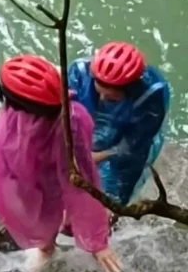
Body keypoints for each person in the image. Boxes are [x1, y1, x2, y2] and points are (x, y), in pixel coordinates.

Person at [0, 55, 122, 272]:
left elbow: (81, 178)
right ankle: (43, 246)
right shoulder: (14, 115)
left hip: (45, 181)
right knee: (18, 210)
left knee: (44, 220)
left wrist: (96, 239)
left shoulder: (71, 124)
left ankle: (46, 249)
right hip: (15, 169)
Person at [67, 41, 171, 205]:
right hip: (93, 120)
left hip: (127, 137)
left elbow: (134, 144)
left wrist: (93, 158)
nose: (102, 99)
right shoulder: (79, 73)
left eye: (111, 98)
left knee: (111, 197)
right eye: (98, 92)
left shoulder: (150, 97)